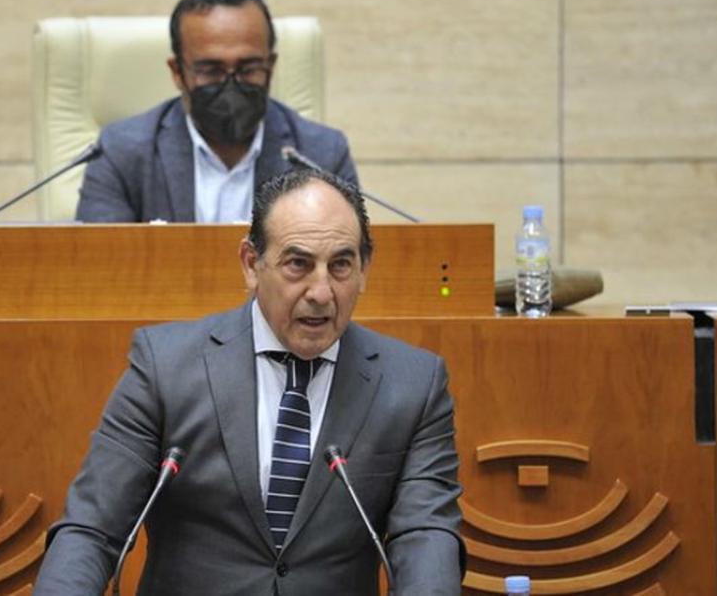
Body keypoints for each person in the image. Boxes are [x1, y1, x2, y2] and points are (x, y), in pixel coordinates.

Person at [37, 169, 463, 595]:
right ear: (251, 264)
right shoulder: (165, 367)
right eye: (298, 264)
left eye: (340, 266)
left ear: (364, 269)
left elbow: (425, 537)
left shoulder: (412, 385)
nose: (321, 291)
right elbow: (93, 528)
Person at [75, 0, 359, 223]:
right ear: (178, 72)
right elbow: (98, 268)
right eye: (211, 70)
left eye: (248, 69)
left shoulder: (320, 156)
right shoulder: (121, 152)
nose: (230, 85)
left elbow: (350, 269)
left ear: (270, 67)